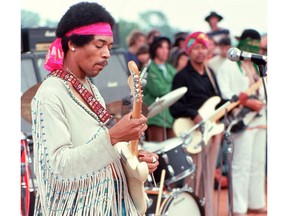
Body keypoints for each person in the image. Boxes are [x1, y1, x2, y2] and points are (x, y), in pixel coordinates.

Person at [30, 2, 159, 215]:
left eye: (109, 46)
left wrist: (132, 159)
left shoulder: (89, 88)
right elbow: (58, 169)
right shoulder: (50, 94)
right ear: (72, 44)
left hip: (110, 203)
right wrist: (113, 137)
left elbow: (94, 148)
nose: (107, 53)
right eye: (100, 45)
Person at [169, 31, 230, 216]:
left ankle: (208, 212)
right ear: (188, 50)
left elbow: (217, 99)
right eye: (196, 47)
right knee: (193, 177)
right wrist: (193, 114)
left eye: (203, 47)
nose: (201, 51)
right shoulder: (181, 76)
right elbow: (174, 107)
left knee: (208, 175)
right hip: (192, 131)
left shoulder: (210, 73)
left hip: (211, 131)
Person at [217, 29, 267, 216]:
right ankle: (238, 208)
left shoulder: (257, 64)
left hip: (261, 119)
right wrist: (245, 101)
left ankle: (256, 202)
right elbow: (225, 93)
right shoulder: (228, 66)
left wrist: (259, 102)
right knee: (241, 165)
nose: (254, 47)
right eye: (250, 43)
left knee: (257, 164)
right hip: (241, 120)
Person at [143, 36, 177, 142]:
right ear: (155, 49)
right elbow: (159, 90)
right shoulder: (149, 68)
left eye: (167, 48)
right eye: (161, 48)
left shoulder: (170, 68)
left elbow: (178, 86)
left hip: (171, 116)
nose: (165, 51)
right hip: (155, 117)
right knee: (157, 150)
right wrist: (174, 89)